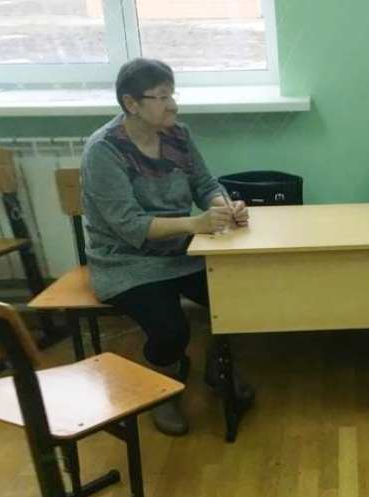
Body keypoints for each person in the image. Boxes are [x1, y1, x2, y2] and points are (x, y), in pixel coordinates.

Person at [81, 58, 255, 436]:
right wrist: (195, 224)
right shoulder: (104, 150)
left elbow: (205, 184)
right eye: (161, 97)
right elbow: (129, 225)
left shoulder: (178, 136)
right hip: (126, 261)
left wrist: (225, 207)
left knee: (240, 295)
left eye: (172, 94)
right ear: (131, 103)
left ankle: (218, 364)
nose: (172, 105)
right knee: (171, 331)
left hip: (181, 251)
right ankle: (162, 383)